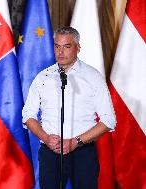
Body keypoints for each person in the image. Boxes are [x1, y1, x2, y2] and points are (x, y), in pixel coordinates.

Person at [22, 26, 116, 189]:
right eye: (57, 46)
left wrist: (75, 142)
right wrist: (45, 138)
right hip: (50, 153)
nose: (60, 52)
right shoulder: (43, 77)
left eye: (67, 46)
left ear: (78, 48)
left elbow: (108, 120)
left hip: (82, 153)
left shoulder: (92, 77)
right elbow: (28, 115)